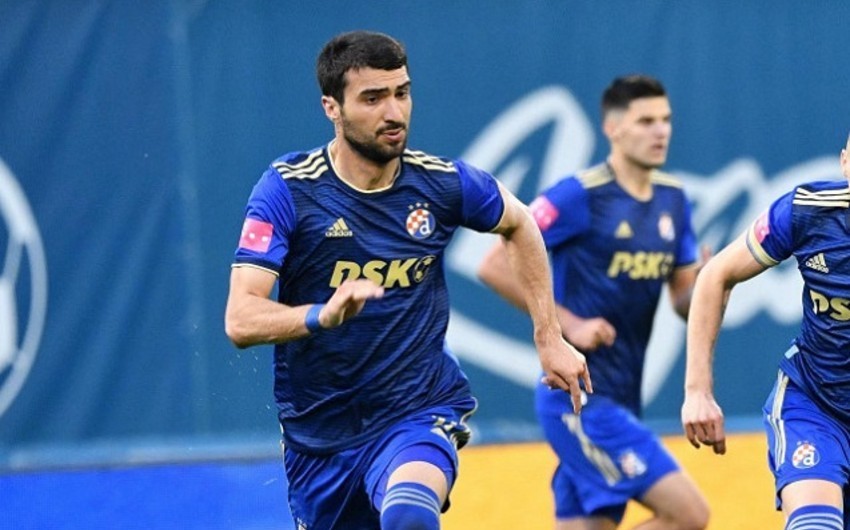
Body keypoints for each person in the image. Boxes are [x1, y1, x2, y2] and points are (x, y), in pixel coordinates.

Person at [224, 30, 590, 530]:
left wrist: (549, 336)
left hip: (417, 410)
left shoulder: (441, 183)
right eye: (373, 98)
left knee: (409, 515)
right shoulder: (288, 190)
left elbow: (520, 223)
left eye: (402, 93)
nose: (394, 112)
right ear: (332, 108)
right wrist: (322, 315)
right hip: (319, 438)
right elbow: (241, 319)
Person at [478, 75, 710, 529]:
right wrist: (569, 324)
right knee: (689, 516)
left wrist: (710, 282)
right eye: (646, 121)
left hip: (622, 396)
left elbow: (683, 300)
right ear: (613, 128)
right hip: (578, 399)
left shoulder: (673, 198)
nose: (660, 131)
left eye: (665, 120)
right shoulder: (578, 194)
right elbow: (494, 265)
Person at [682, 135, 850, 530]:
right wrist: (697, 391)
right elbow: (716, 274)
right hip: (815, 404)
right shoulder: (806, 211)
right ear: (845, 162)